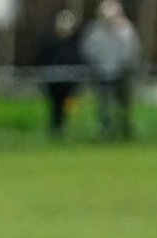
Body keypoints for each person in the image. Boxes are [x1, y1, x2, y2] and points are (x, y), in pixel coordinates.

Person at [80, 0, 141, 140]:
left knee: (124, 106)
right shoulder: (95, 32)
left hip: (122, 75)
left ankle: (126, 132)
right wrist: (98, 66)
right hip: (102, 75)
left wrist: (123, 66)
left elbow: (132, 51)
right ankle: (105, 133)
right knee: (104, 106)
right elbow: (88, 50)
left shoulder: (126, 31)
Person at [37, 9, 83, 138]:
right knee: (54, 108)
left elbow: (78, 60)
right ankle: (55, 131)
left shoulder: (75, 43)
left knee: (68, 109)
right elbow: (42, 59)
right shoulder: (49, 42)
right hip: (53, 82)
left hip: (70, 84)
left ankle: (67, 131)